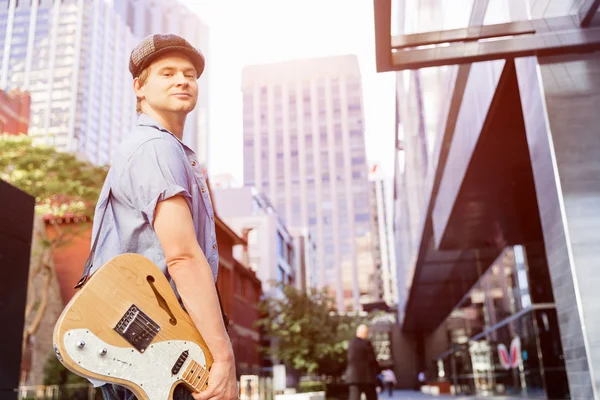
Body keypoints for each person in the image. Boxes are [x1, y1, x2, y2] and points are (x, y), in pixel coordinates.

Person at [78, 34, 237, 400]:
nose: (182, 80)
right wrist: (224, 356)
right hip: (162, 352)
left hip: (155, 352)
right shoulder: (156, 147)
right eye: (167, 73)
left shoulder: (162, 149)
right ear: (140, 87)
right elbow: (181, 256)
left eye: (190, 74)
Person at [345, 324, 379, 400]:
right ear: (365, 333)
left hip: (353, 377)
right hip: (367, 378)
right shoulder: (367, 344)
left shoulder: (351, 343)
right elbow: (372, 360)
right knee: (372, 397)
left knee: (354, 398)